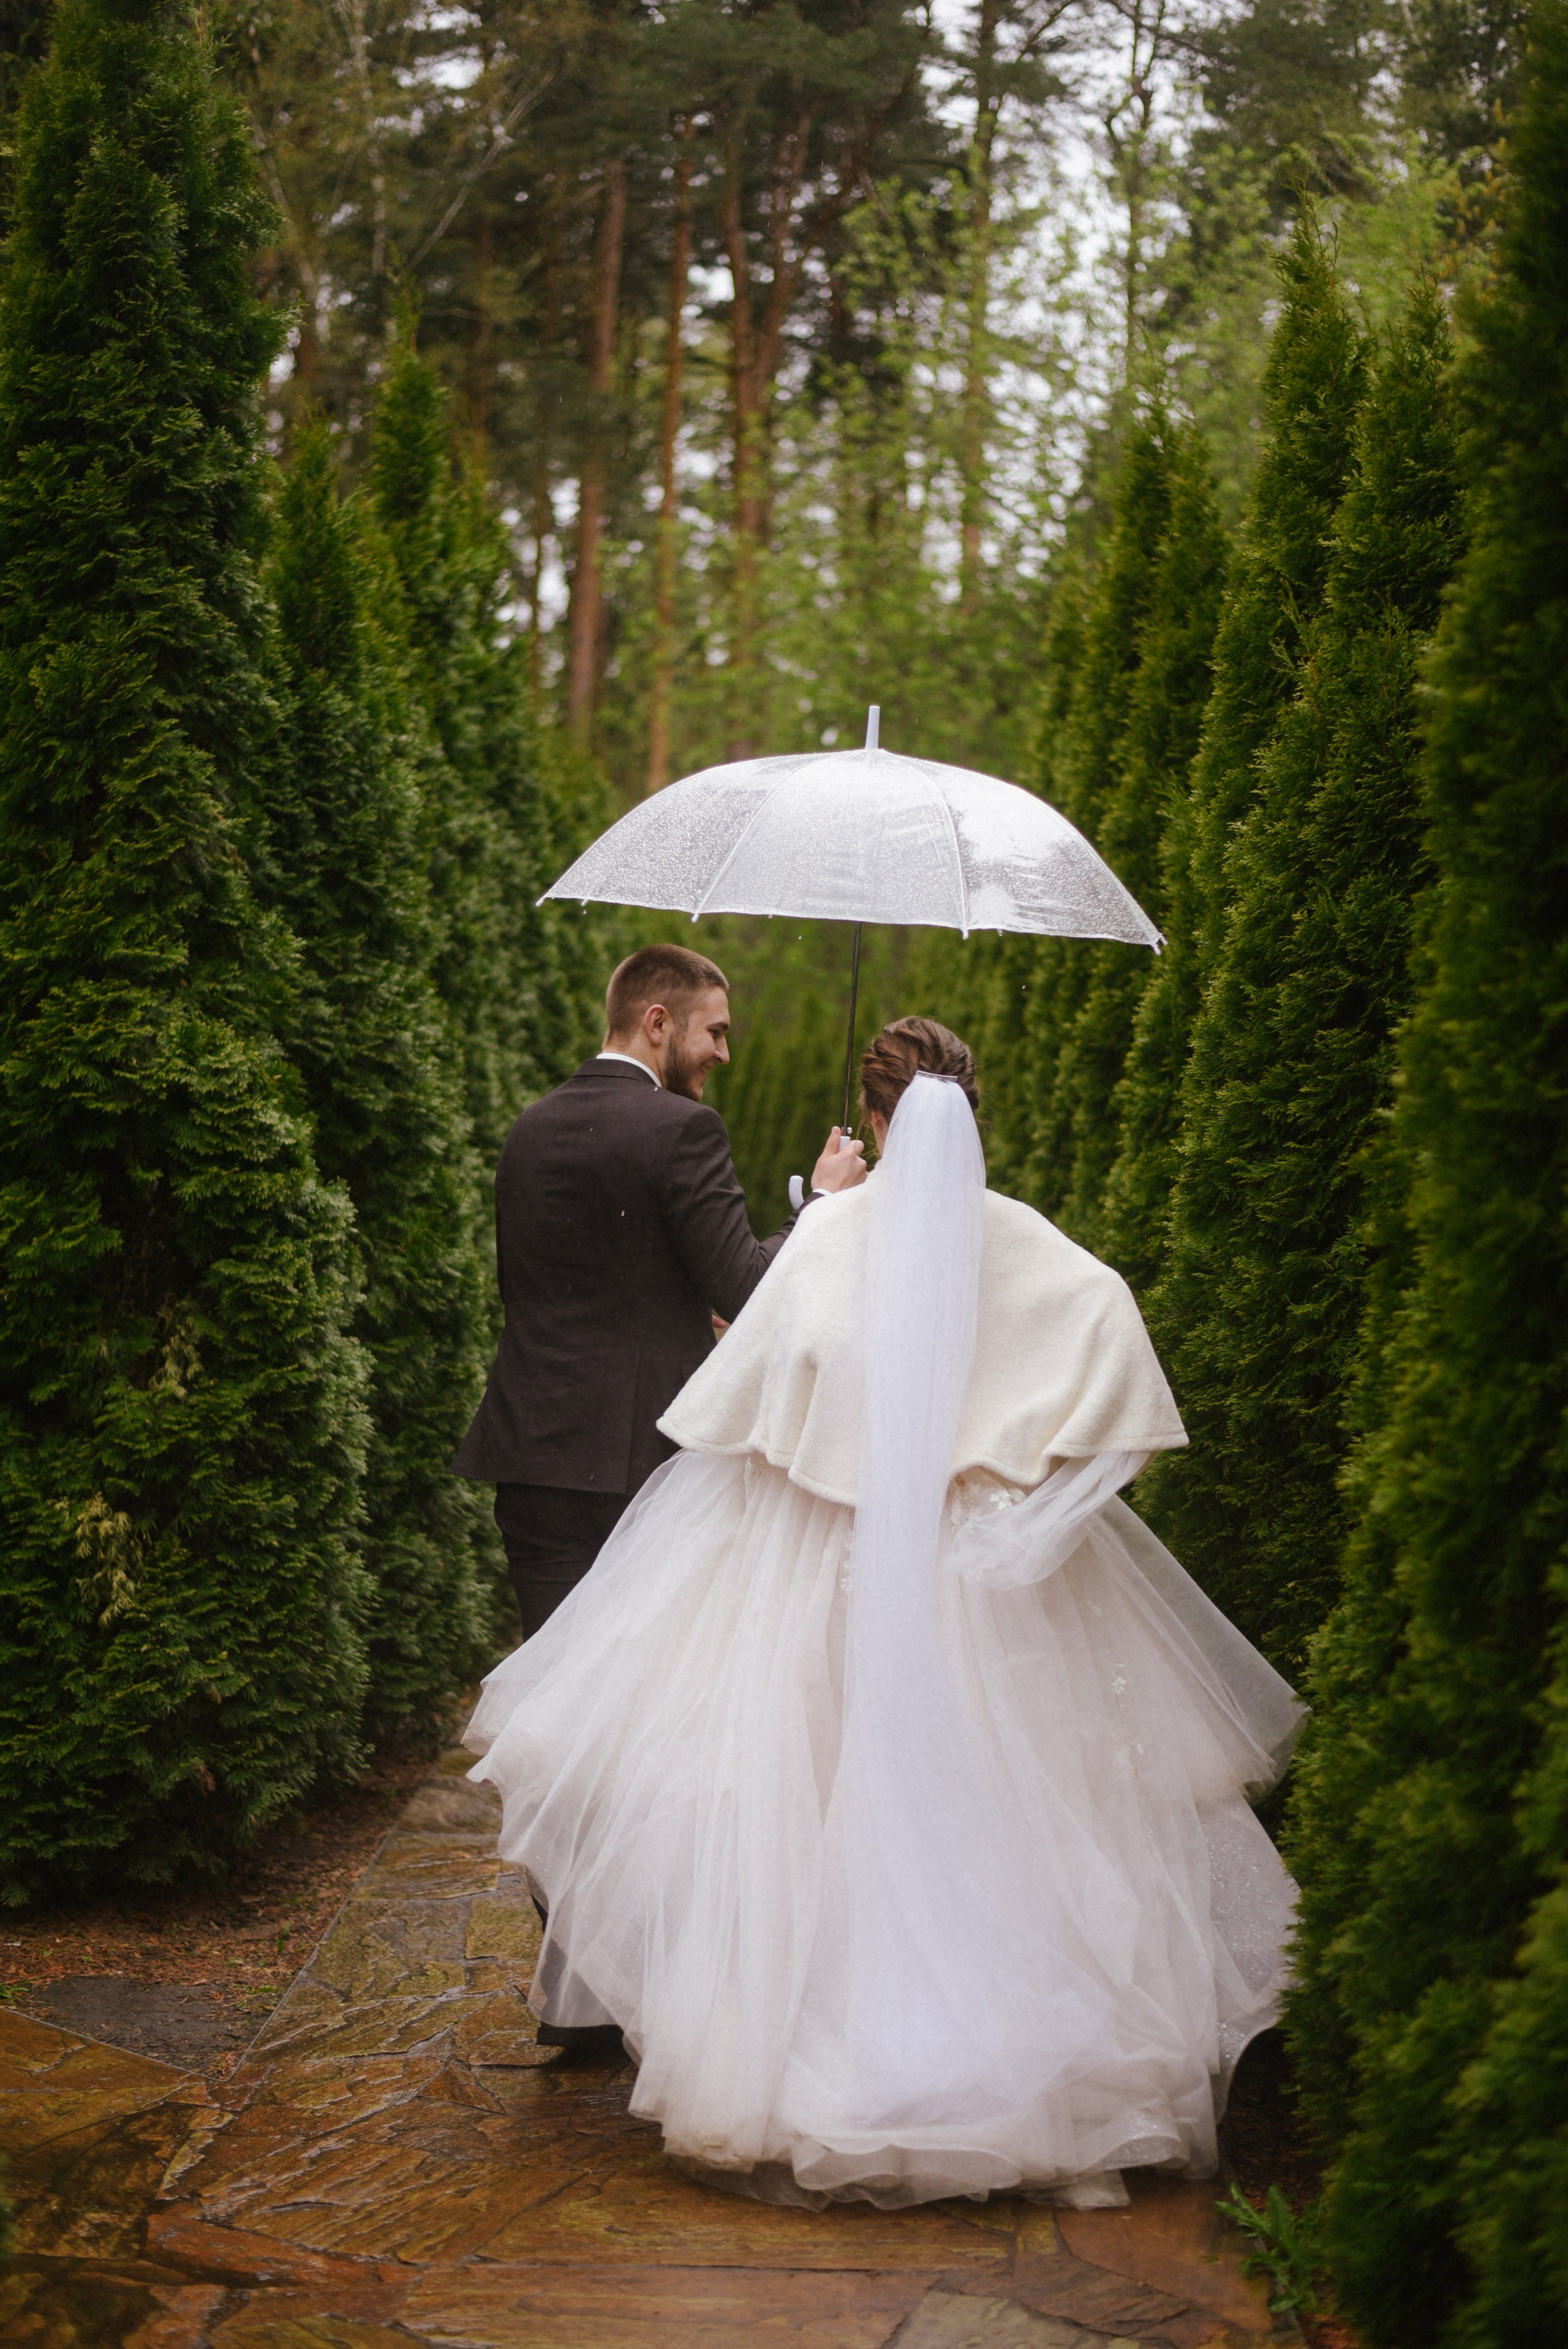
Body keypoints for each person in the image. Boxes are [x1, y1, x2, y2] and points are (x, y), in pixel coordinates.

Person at [464, 1016, 1302, 2209]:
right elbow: (1109, 1348)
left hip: (828, 1570)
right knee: (1022, 1809)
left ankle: (821, 2060)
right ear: (975, 1111)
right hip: (989, 1587)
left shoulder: (830, 1238)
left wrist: (828, 1212)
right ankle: (1043, 2081)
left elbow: (751, 1393)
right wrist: (1032, 1515)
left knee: (810, 1810)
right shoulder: (1027, 1245)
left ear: (871, 1119)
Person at [451, 942, 865, 1645]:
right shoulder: (683, 1129)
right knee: (634, 1681)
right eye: (715, 1031)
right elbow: (747, 1288)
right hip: (637, 1465)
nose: (723, 1054)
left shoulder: (530, 1126)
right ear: (657, 1022)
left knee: (551, 1673)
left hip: (531, 1454)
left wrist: (679, 1308)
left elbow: (586, 1279)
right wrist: (820, 1206)